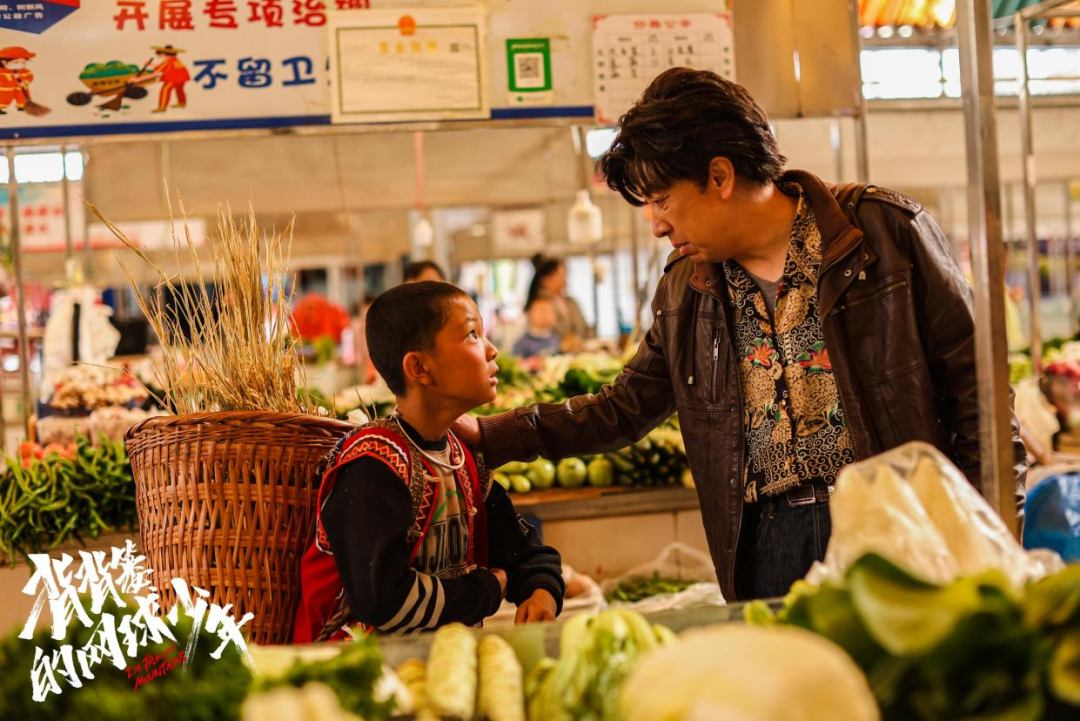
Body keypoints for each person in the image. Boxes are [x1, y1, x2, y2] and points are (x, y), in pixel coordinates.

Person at [454, 68, 1027, 603]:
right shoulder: (687, 289)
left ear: (720, 176)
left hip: (901, 525)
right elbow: (624, 409)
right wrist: (493, 434)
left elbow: (982, 397)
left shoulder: (883, 233)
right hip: (767, 545)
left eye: (661, 200)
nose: (656, 224)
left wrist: (991, 540)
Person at [294, 281, 564, 642]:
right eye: (472, 334)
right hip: (355, 678)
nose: (491, 350)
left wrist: (539, 586)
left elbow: (523, 549)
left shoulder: (460, 459)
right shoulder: (371, 466)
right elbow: (382, 600)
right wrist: (485, 590)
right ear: (419, 367)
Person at [526, 255, 589, 350]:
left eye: (565, 275)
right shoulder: (539, 305)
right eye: (561, 275)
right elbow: (540, 336)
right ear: (546, 279)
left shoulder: (571, 301)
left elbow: (583, 327)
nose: (565, 280)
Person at [149, 44, 189, 113]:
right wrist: (152, 65)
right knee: (179, 89)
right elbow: (164, 68)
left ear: (164, 54)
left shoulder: (167, 61)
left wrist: (138, 79)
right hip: (182, 78)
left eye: (160, 55)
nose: (159, 56)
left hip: (174, 79)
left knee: (165, 90)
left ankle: (162, 107)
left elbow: (157, 72)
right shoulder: (175, 60)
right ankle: (182, 103)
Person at [0, 46, 35, 114]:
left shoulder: (24, 71)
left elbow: (29, 76)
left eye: (23, 62)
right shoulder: (1, 71)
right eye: (16, 62)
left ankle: (22, 106)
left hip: (20, 87)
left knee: (22, 96)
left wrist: (24, 82)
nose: (20, 65)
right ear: (3, 62)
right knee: (3, 98)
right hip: (6, 89)